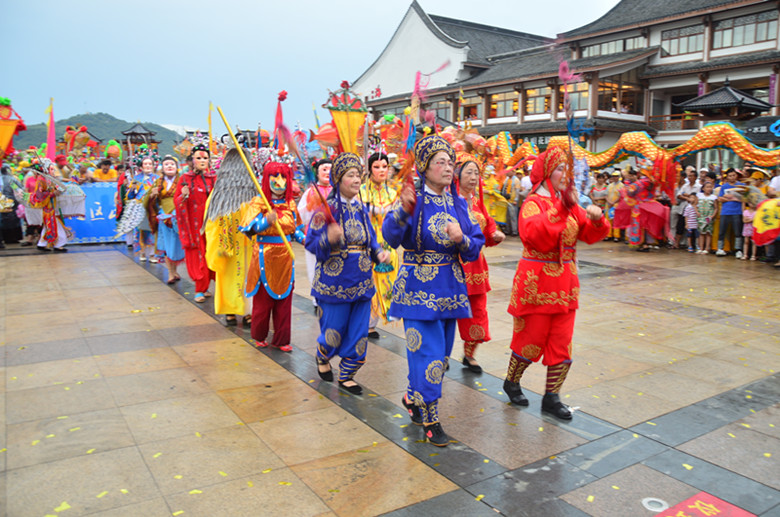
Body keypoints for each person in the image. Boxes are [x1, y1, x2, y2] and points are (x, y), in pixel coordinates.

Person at [383, 134, 485, 447]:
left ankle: (412, 396)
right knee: (428, 356)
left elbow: (475, 245)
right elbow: (390, 236)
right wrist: (402, 210)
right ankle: (431, 419)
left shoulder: (458, 204)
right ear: (425, 168)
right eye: (440, 162)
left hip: (450, 290)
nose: (448, 167)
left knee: (439, 356)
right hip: (417, 290)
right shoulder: (412, 199)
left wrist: (461, 238)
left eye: (450, 162)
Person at [503, 147, 610, 420]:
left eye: (567, 169)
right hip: (536, 283)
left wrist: (597, 219)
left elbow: (587, 233)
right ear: (548, 172)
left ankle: (552, 396)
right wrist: (563, 208)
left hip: (565, 284)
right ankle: (512, 381)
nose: (565, 174)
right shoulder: (533, 203)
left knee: (562, 341)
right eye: (560, 168)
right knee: (531, 338)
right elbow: (535, 235)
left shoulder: (569, 204)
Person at [306, 153, 390, 394]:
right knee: (333, 331)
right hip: (334, 281)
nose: (356, 180)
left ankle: (347, 374)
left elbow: (370, 238)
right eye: (350, 175)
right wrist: (328, 238)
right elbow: (311, 243)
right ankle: (323, 355)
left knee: (358, 332)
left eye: (358, 175)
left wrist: (378, 252)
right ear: (338, 179)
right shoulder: (325, 210)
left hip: (362, 280)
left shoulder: (361, 208)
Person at [241, 158, 304, 352]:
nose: (279, 182)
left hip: (285, 257)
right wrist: (266, 222)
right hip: (264, 255)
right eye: (275, 177)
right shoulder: (259, 202)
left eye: (283, 177)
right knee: (262, 302)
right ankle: (259, 335)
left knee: (284, 302)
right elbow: (248, 229)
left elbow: (296, 230)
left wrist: (308, 241)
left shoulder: (290, 204)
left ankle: (282, 339)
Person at [454, 157, 505, 373]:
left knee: (477, 310)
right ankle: (440, 354)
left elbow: (488, 226)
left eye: (476, 173)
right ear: (457, 175)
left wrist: (494, 235)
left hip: (476, 266)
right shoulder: (449, 200)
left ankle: (469, 354)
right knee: (448, 311)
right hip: (454, 264)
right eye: (469, 172)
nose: (474, 177)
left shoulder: (477, 202)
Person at [203, 147, 254, 327]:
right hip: (228, 242)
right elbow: (211, 221)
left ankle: (248, 311)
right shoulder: (219, 193)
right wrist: (218, 244)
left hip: (249, 242)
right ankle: (230, 309)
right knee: (228, 276)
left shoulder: (254, 190)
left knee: (248, 276)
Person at [359, 152, 398, 338]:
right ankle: (366, 323)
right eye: (376, 167)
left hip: (388, 244)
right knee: (369, 282)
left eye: (384, 167)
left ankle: (376, 320)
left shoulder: (393, 193)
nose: (381, 170)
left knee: (385, 281)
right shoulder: (361, 192)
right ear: (369, 169)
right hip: (368, 242)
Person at [175, 143, 216, 302]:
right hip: (195, 225)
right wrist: (183, 196)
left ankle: (209, 285)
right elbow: (177, 201)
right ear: (192, 160)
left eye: (205, 158)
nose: (202, 160)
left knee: (212, 253)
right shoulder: (185, 179)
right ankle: (200, 288)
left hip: (212, 224)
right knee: (198, 255)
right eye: (199, 158)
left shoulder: (214, 178)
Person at [297, 159, 333, 308]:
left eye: (330, 169)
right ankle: (317, 298)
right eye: (324, 169)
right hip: (315, 237)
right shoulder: (310, 192)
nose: (328, 172)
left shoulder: (338, 190)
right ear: (317, 173)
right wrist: (311, 205)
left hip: (333, 237)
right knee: (314, 267)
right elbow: (300, 216)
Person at [147, 155, 184, 284]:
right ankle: (170, 272)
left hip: (179, 217)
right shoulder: (158, 183)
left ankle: (175, 270)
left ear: (176, 167)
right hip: (164, 217)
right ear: (162, 168)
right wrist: (152, 196)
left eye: (172, 164)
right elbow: (149, 201)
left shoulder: (182, 180)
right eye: (166, 164)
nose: (169, 166)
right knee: (167, 245)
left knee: (177, 244)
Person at [127, 154, 159, 262]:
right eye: (145, 164)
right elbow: (130, 196)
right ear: (141, 166)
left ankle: (152, 254)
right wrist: (132, 189)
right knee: (140, 230)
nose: (148, 166)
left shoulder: (157, 179)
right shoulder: (136, 179)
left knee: (153, 230)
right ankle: (142, 252)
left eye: (150, 164)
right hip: (140, 207)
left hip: (153, 207)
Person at [716, 168, 745, 258]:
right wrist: (731, 198)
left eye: (733, 175)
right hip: (725, 211)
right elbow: (720, 198)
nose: (732, 177)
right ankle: (720, 248)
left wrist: (730, 197)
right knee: (722, 231)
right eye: (730, 176)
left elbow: (744, 198)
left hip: (737, 211)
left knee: (737, 231)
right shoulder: (724, 186)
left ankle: (738, 249)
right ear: (727, 177)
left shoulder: (741, 186)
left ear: (736, 176)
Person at [670, 167, 700, 248]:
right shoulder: (685, 186)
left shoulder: (699, 186)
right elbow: (679, 195)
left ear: (695, 177)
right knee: (680, 225)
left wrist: (688, 195)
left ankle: (692, 244)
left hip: (694, 208)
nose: (690, 178)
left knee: (693, 226)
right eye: (689, 176)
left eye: (691, 176)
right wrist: (687, 198)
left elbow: (698, 197)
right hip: (684, 208)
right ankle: (676, 243)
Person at [696, 181, 718, 254]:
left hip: (709, 217)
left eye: (710, 187)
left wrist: (712, 216)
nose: (709, 189)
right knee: (701, 232)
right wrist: (697, 212)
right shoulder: (699, 196)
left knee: (708, 232)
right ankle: (701, 248)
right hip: (701, 216)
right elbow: (695, 204)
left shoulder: (713, 197)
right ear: (703, 188)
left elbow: (716, 208)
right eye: (707, 187)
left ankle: (707, 248)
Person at [501, 168, 521, 236]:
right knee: (507, 216)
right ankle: (508, 230)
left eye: (509, 171)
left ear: (513, 172)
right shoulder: (507, 179)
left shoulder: (516, 180)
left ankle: (514, 231)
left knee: (513, 217)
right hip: (507, 200)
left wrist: (516, 200)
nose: (507, 173)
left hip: (513, 201)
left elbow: (517, 191)